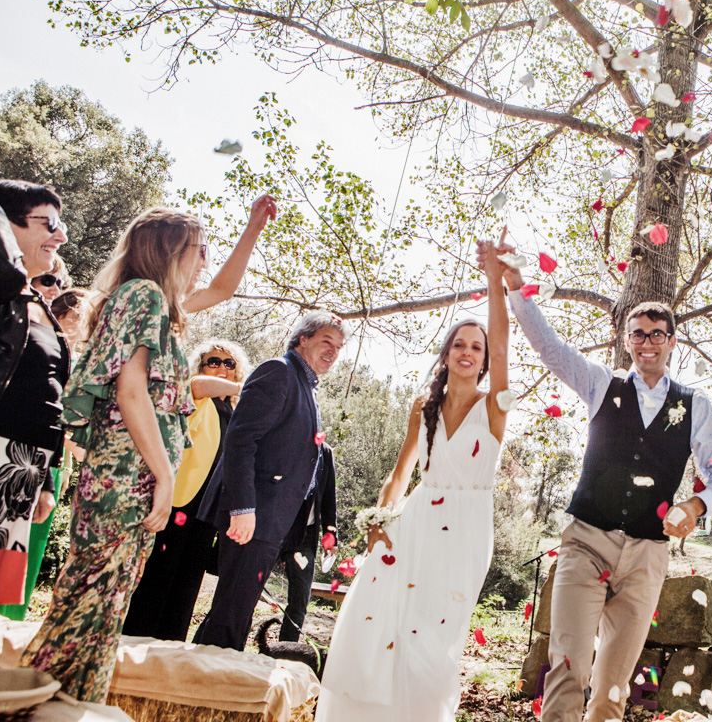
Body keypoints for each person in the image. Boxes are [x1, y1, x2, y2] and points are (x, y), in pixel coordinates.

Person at [22, 196, 277, 703]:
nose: (205, 260)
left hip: (129, 470)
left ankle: (58, 700)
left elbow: (224, 289)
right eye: (199, 250)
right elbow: (131, 390)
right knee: (94, 601)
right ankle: (44, 701)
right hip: (126, 470)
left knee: (101, 600)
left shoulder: (154, 301)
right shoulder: (144, 297)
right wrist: (164, 475)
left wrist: (253, 227)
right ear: (169, 250)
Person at [489, 241, 712, 722]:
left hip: (646, 557)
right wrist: (518, 288)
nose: (647, 342)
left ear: (672, 341)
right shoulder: (602, 383)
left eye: (657, 334)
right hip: (587, 543)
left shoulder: (695, 404)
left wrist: (697, 506)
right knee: (568, 668)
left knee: (612, 688)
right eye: (638, 334)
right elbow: (550, 348)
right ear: (626, 340)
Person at [315, 236, 511, 721]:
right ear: (446, 355)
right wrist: (379, 520)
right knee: (383, 619)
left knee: (437, 636)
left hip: (466, 529)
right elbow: (400, 473)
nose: (468, 352)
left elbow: (505, 343)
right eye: (458, 345)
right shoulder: (422, 407)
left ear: (485, 360)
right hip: (416, 520)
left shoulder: (495, 406)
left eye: (476, 347)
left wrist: (494, 279)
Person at [193, 311, 347, 651]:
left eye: (339, 346)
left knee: (234, 608)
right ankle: (209, 683)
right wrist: (243, 508)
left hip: (272, 520)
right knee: (232, 610)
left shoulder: (305, 384)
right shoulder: (279, 371)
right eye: (326, 342)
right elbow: (240, 440)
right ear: (302, 339)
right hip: (252, 515)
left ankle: (201, 679)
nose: (333, 352)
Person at [122, 340, 251, 641]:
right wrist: (250, 388)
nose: (221, 367)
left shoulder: (237, 413)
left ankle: (169, 651)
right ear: (202, 367)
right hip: (180, 500)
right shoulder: (197, 396)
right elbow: (199, 385)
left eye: (229, 363)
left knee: (188, 584)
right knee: (158, 577)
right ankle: (135, 643)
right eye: (213, 361)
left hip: (210, 509)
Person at [0, 180, 71, 618]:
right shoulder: (4, 290)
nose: (60, 236)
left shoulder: (36, 304)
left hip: (24, 466)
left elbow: (50, 394)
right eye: (50, 223)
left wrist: (45, 478)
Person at [274, 438, 335, 642]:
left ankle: (285, 652)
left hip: (305, 537)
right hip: (274, 527)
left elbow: (328, 499)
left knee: (300, 600)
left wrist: (330, 536)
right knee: (249, 590)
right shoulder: (287, 441)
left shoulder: (325, 453)